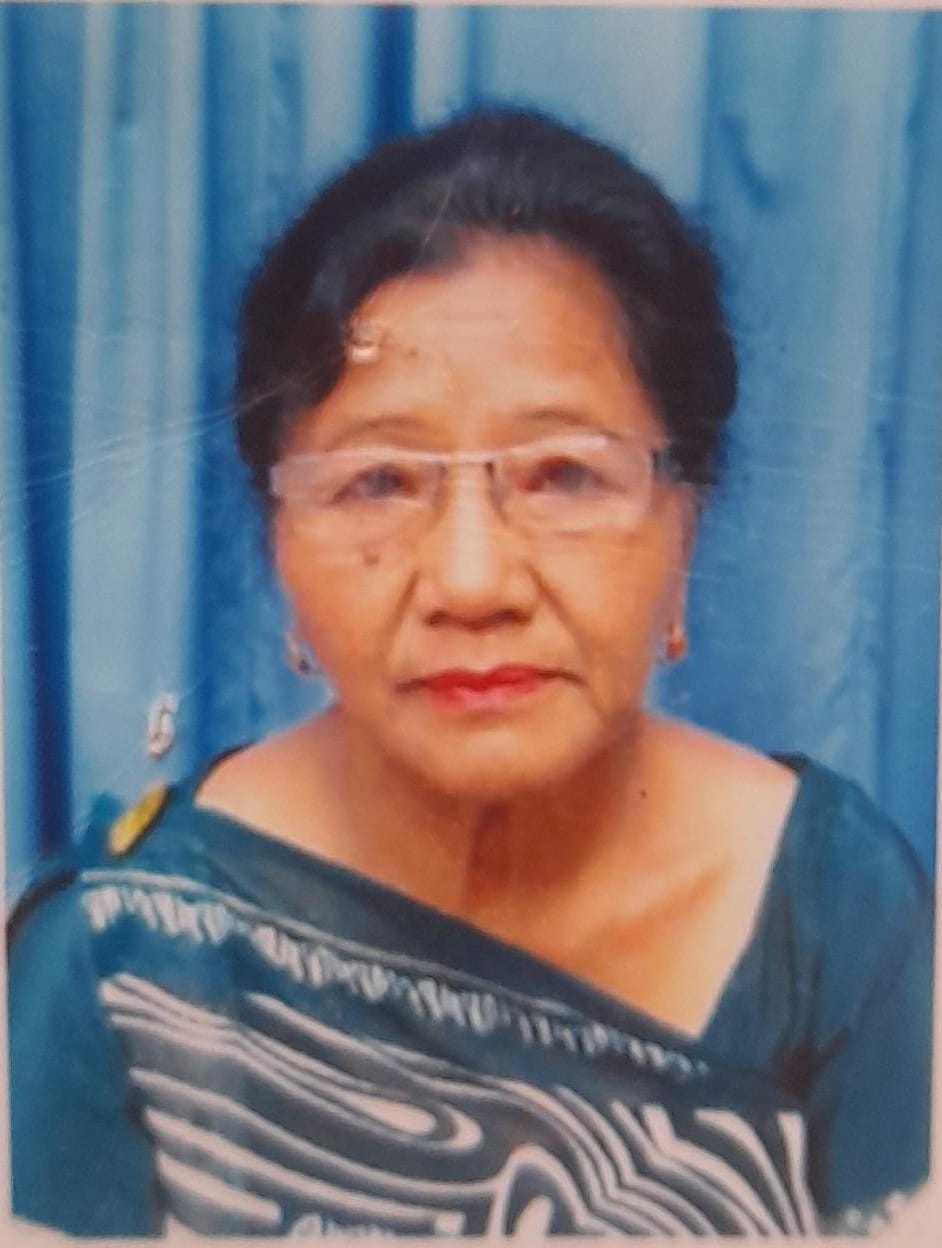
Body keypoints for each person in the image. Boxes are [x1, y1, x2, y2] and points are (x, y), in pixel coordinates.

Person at [8, 108, 932, 1238]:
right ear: (277, 543)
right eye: (380, 482)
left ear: (685, 525)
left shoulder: (829, 909)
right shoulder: (116, 956)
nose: (472, 580)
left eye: (564, 475)